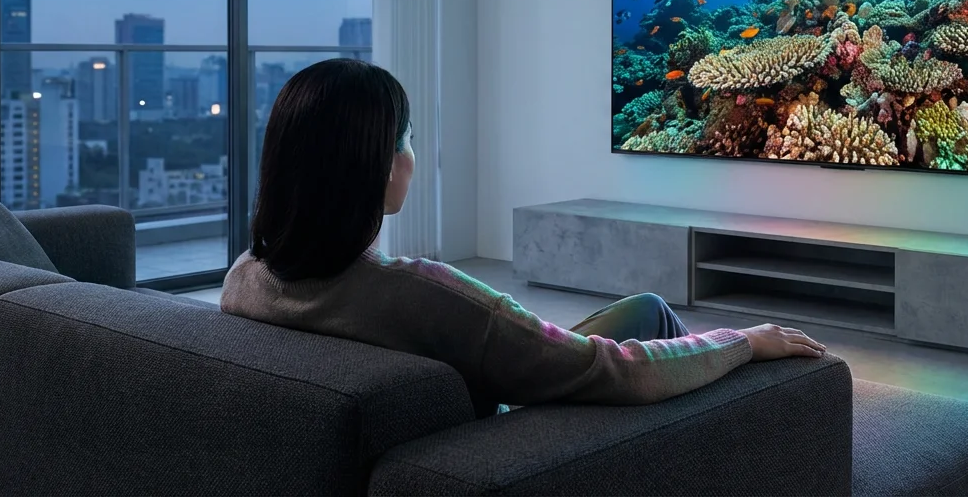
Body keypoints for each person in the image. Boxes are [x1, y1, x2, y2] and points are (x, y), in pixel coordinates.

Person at [221, 59, 829, 417]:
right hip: (518, 425)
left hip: (480, 395)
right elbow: (616, 372)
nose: (415, 154)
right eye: (407, 139)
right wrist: (744, 341)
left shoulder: (247, 275)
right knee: (662, 327)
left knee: (647, 307)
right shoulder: (424, 294)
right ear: (379, 165)